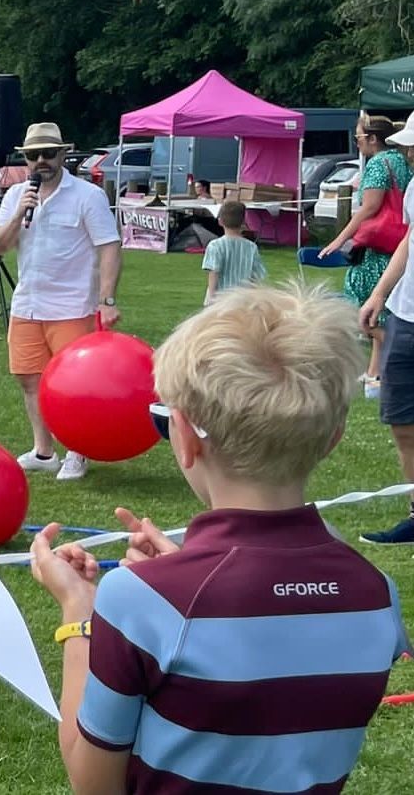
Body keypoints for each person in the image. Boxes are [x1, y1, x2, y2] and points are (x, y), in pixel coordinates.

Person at [30, 283, 407, 794]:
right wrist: (187, 576)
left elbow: (92, 781)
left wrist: (80, 614)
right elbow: (269, 641)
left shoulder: (136, 601)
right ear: (334, 437)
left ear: (183, 437)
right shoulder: (377, 595)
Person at [0, 122, 121, 482]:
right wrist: (19, 214)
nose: (41, 161)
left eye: (49, 153)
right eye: (33, 155)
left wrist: (107, 300)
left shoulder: (87, 196)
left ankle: (77, 451)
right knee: (30, 380)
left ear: (63, 154)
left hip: (72, 305)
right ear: (25, 159)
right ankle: (44, 451)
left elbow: (108, 247)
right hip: (28, 304)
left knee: (74, 386)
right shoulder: (16, 195)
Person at [319, 115, 413, 399]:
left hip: (378, 248)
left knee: (363, 309)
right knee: (380, 316)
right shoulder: (400, 163)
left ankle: (381, 370)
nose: (357, 144)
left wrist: (339, 239)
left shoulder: (377, 165)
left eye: (359, 138)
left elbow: (369, 207)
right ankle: (374, 375)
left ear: (372, 139)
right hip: (395, 247)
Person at [356, 110, 414, 545]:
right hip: (406, 317)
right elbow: (408, 243)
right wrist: (378, 295)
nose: (409, 151)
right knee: (402, 423)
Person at [201, 200, 266, 304]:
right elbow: (256, 276)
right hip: (244, 300)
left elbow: (214, 273)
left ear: (220, 221)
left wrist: (211, 298)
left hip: (221, 299)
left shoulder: (215, 246)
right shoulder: (251, 247)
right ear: (243, 222)